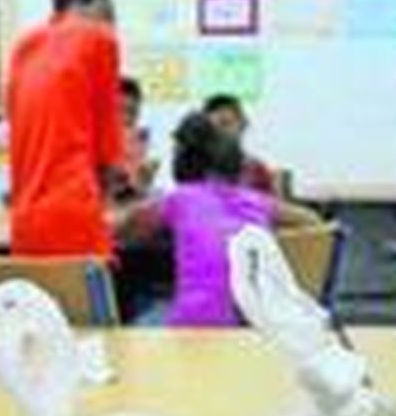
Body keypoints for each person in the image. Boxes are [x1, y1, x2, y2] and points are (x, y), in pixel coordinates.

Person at [118, 111, 319, 327]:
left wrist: (138, 190)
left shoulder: (181, 199)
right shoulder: (256, 201)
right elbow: (313, 222)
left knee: (139, 317)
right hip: (256, 325)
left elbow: (124, 232)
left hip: (195, 324)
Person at [5, 0, 123, 257]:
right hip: (73, 218)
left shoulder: (23, 48)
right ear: (85, 2)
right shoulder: (99, 38)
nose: (110, 26)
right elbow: (107, 148)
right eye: (107, 15)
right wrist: (107, 204)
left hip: (24, 223)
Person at [203, 93, 276, 197]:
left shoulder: (256, 171)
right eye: (211, 128)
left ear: (243, 125)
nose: (219, 132)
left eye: (225, 123)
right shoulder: (196, 170)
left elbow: (270, 208)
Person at [108, 76, 155, 203]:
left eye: (132, 112)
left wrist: (144, 182)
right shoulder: (95, 146)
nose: (126, 119)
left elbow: (140, 190)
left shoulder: (140, 140)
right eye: (121, 111)